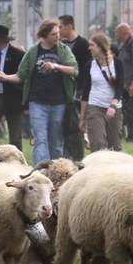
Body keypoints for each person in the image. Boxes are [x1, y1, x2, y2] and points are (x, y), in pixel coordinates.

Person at [0, 19, 77, 164]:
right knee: (40, 139)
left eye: (58, 33)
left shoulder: (63, 50)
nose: (57, 36)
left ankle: (56, 170)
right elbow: (21, 76)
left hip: (59, 103)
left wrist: (55, 66)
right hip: (37, 103)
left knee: (56, 140)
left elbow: (74, 71)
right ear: (44, 35)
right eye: (53, 34)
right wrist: (6, 77)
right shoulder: (33, 52)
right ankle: (40, 171)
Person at [81, 33, 123, 152]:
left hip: (114, 108)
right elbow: (85, 92)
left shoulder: (117, 63)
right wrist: (82, 118)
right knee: (98, 144)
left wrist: (112, 106)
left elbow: (120, 87)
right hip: (95, 107)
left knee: (115, 147)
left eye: (92, 45)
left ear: (100, 46)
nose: (89, 48)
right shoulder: (90, 66)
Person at [58, 15, 91, 161]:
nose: (59, 30)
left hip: (78, 89)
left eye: (61, 27)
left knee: (75, 124)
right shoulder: (59, 44)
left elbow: (86, 68)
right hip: (61, 90)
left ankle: (78, 154)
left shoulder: (83, 44)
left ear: (69, 26)